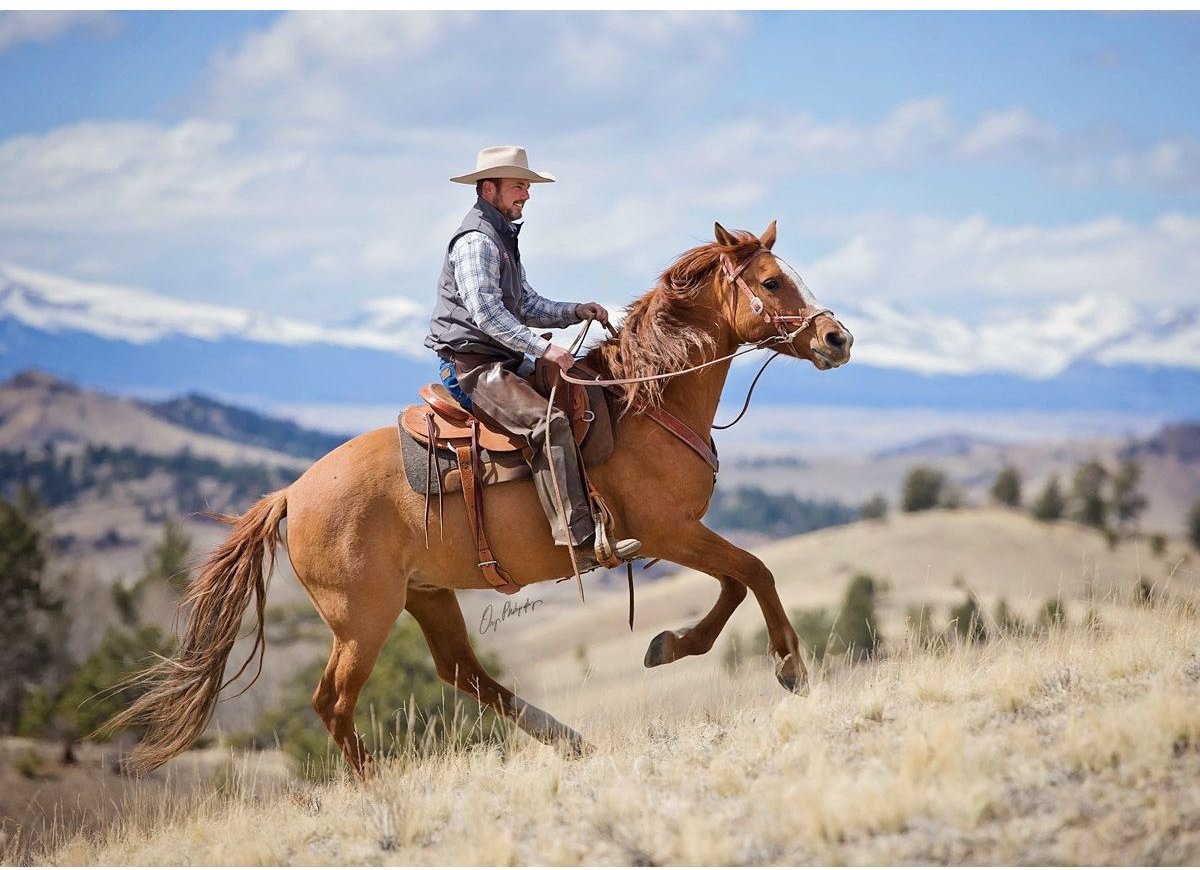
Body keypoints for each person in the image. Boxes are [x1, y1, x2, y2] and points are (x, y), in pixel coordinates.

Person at [425, 145, 640, 567]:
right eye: (519, 186)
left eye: (526, 186)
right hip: (475, 367)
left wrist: (575, 311)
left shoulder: (502, 237)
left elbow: (525, 304)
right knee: (549, 424)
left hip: (502, 360)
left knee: (587, 393)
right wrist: (544, 348)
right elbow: (486, 312)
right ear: (489, 189)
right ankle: (576, 535)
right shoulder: (477, 241)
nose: (527, 195)